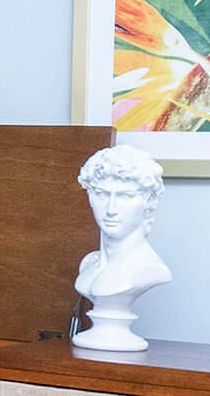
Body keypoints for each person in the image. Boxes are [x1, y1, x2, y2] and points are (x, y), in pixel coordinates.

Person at [72, 145, 170, 351]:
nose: (110, 209)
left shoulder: (150, 270)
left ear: (148, 201)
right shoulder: (89, 264)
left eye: (125, 196)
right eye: (101, 194)